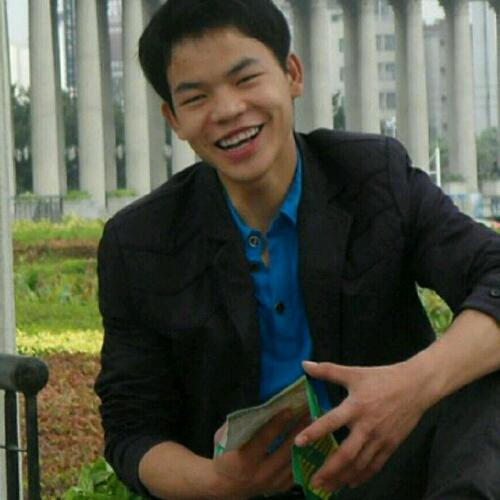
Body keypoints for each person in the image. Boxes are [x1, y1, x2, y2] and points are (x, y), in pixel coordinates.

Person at [94, 1, 500, 498]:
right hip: (245, 491)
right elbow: (132, 428)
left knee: (484, 368)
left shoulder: (373, 177)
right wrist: (220, 482)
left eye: (245, 79)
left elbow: (494, 275)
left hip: (400, 476)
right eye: (196, 98)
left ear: (292, 74)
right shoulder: (138, 243)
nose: (228, 111)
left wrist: (409, 389)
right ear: (173, 118)